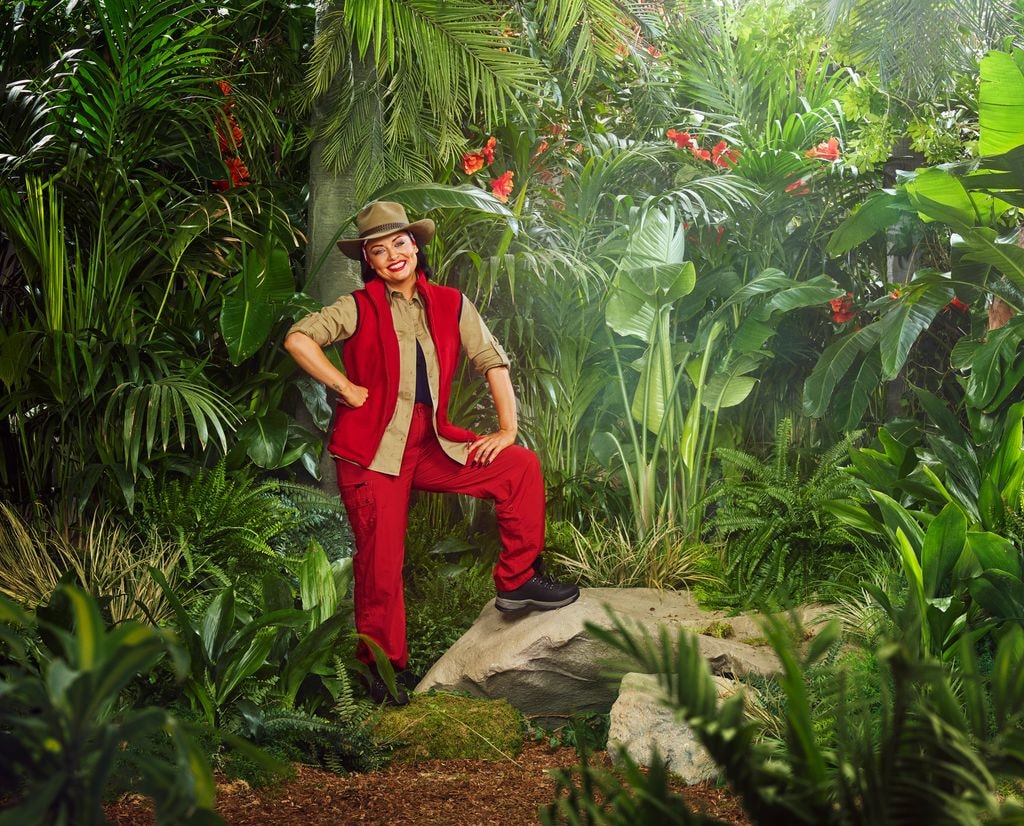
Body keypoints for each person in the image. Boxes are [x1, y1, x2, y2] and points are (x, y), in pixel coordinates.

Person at [284, 201, 579, 705]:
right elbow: (298, 339)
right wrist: (347, 388)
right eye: (379, 249)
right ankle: (383, 672)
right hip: (371, 451)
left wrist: (507, 429)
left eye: (400, 242)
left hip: (428, 441)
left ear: (415, 247)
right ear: (370, 262)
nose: (393, 254)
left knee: (519, 467)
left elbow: (492, 361)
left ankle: (517, 581)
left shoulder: (451, 304)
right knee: (380, 564)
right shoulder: (357, 307)